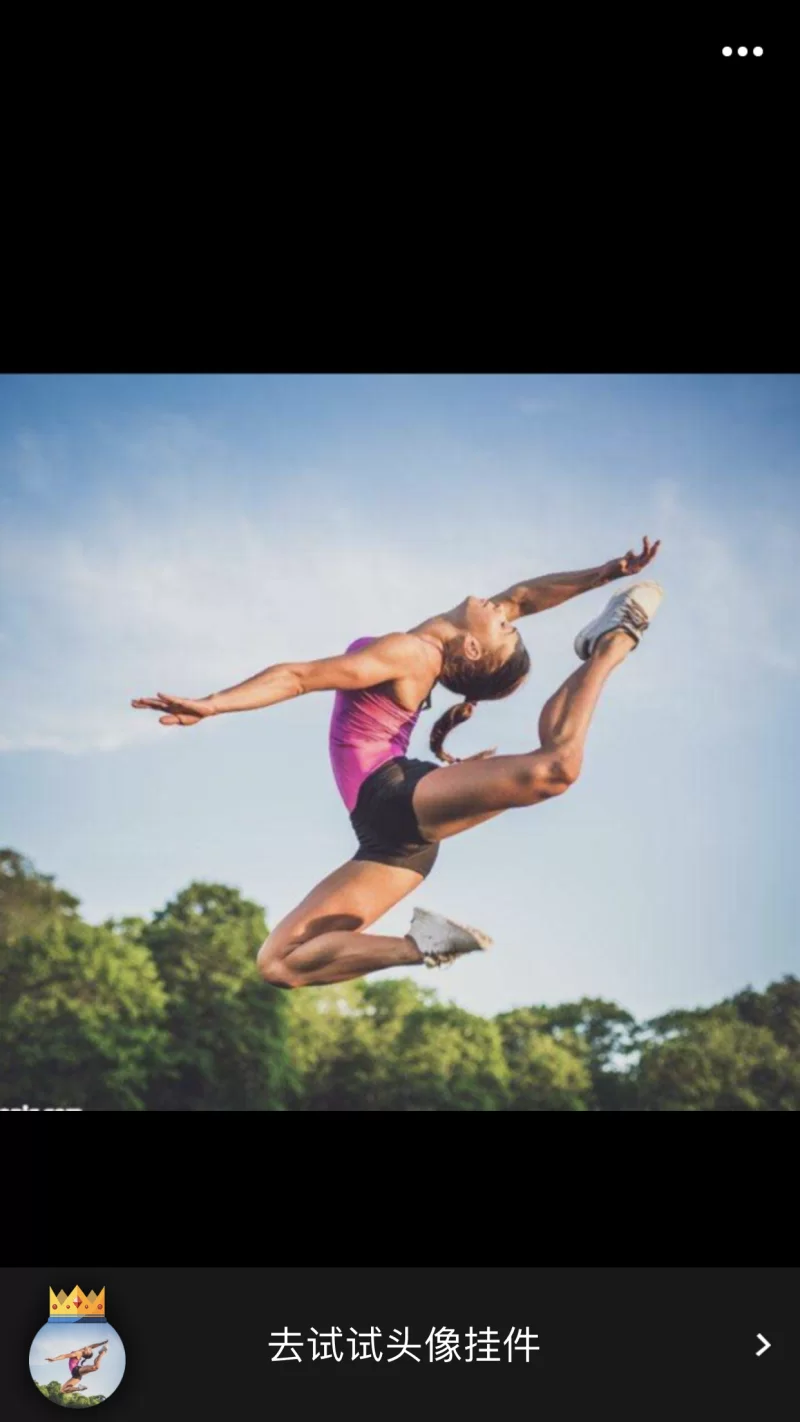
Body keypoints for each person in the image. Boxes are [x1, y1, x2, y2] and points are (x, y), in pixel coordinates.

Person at [133, 537, 662, 986]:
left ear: (471, 650)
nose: (505, 612)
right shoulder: (437, 644)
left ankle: (613, 642)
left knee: (557, 769)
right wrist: (604, 572)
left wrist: (213, 704)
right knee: (280, 964)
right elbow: (525, 596)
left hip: (391, 795)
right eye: (507, 621)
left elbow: (298, 677)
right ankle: (423, 946)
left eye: (504, 626)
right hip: (392, 838)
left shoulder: (411, 654)